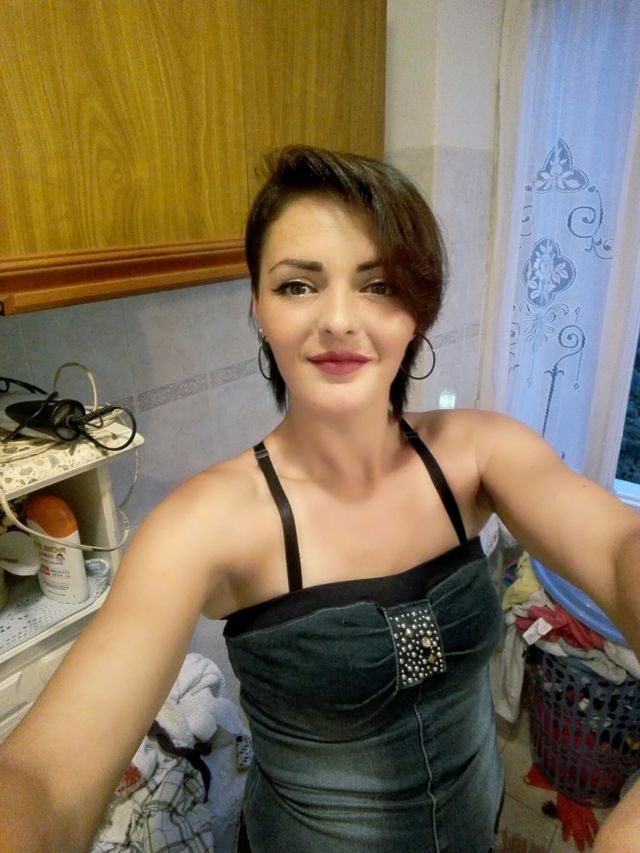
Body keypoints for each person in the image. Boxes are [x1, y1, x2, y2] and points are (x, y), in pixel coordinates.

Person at [0, 145, 638, 853]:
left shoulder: (479, 452)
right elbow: (46, 778)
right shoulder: (203, 526)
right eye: (298, 285)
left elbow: (620, 548)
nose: (337, 318)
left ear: (417, 311)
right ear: (259, 307)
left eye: (379, 285)